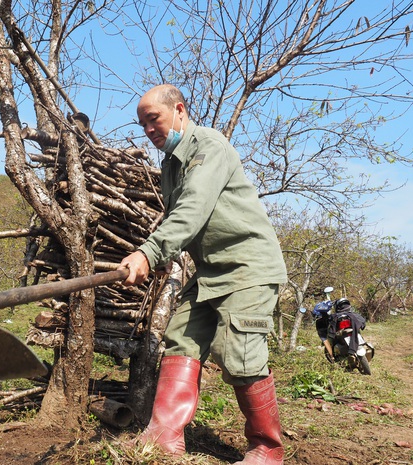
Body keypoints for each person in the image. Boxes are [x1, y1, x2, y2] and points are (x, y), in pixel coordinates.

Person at [120, 84, 287, 465]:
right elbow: (182, 222)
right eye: (142, 124)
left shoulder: (209, 146)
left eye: (154, 119)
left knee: (239, 354)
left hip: (248, 267)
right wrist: (157, 256)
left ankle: (267, 448)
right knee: (181, 340)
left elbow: (193, 209)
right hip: (211, 271)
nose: (148, 130)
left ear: (179, 110)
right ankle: (164, 436)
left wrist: (148, 251)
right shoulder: (170, 165)